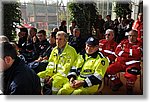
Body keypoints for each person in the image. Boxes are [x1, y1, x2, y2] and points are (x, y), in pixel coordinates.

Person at [106, 30, 142, 94]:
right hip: (120, 63)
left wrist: (124, 50)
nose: (131, 37)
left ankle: (129, 88)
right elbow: (117, 51)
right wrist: (131, 53)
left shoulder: (140, 44)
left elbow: (138, 53)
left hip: (133, 64)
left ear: (137, 36)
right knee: (109, 70)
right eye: (130, 36)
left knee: (131, 76)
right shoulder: (123, 42)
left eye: (134, 36)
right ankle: (117, 83)